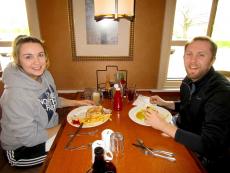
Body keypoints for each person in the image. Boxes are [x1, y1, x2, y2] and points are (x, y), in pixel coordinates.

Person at [0, 35, 94, 167]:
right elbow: (29, 138)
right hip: (22, 150)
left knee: (87, 137)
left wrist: (78, 103)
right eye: (28, 57)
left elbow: (52, 99)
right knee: (78, 153)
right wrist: (65, 127)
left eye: (40, 55)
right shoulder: (15, 96)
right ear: (18, 60)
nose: (37, 62)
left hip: (47, 133)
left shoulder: (45, 75)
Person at [145, 36, 230, 173]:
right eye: (189, 54)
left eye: (201, 55)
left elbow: (210, 146)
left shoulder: (222, 93)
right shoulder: (189, 79)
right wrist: (166, 103)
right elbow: (188, 105)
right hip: (179, 129)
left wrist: (165, 127)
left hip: (201, 156)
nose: (193, 61)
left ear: (212, 60)